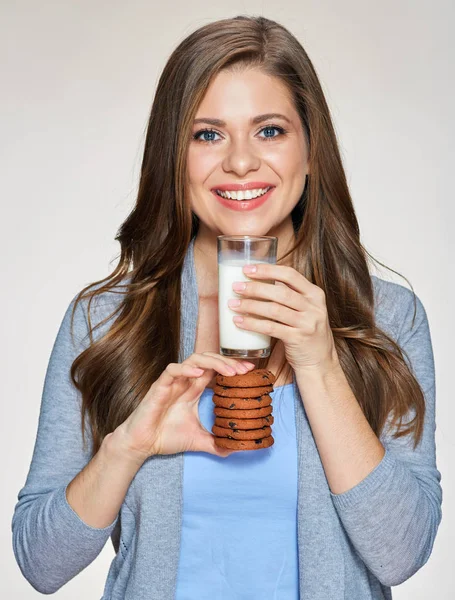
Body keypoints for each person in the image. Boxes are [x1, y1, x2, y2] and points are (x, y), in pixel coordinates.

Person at [11, 14, 442, 599]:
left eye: (269, 131)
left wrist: (319, 365)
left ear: (312, 152)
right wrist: (127, 446)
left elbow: (400, 554)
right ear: (175, 157)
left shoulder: (387, 319)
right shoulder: (106, 322)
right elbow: (41, 562)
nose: (241, 162)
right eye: (207, 134)